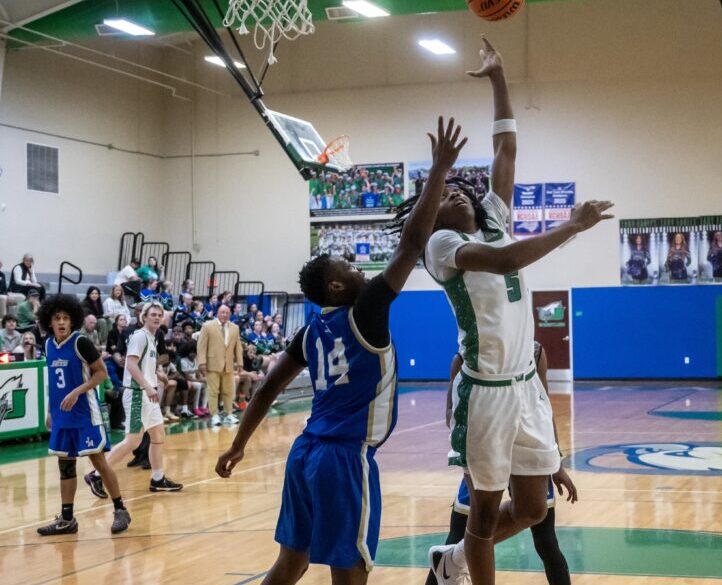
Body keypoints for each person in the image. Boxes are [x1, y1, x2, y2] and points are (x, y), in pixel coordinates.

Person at [213, 115, 466, 585]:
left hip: (304, 453)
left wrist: (238, 444)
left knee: (290, 564)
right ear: (336, 285)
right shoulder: (365, 309)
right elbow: (412, 243)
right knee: (348, 573)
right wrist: (438, 170)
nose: (358, 269)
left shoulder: (310, 333)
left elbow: (268, 387)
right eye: (349, 265)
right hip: (344, 459)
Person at [411, 38, 613, 585]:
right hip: (487, 394)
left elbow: (505, 151)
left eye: (458, 188)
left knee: (532, 510)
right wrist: (572, 225)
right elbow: (504, 261)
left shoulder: (495, 214)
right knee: (480, 517)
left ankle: (449, 560)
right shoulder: (442, 249)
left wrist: (499, 78)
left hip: (526, 387)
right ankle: (463, 561)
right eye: (443, 194)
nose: (454, 194)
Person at [425, 341, 577, 585]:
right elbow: (450, 414)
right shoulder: (465, 358)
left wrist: (557, 463)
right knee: (456, 535)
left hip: (527, 451)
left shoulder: (535, 353)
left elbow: (543, 410)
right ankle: (446, 566)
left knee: (546, 541)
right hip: (487, 453)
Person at [34, 294, 130, 536]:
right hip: (62, 416)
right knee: (65, 466)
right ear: (50, 322)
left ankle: (120, 509)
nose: (62, 322)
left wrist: (77, 392)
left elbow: (101, 374)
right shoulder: (47, 345)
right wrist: (49, 411)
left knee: (98, 462)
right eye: (57, 318)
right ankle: (67, 519)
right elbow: (54, 384)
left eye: (66, 317)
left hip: (86, 414)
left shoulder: (80, 343)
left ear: (73, 320)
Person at [85, 302, 183, 496]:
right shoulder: (139, 336)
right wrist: (147, 385)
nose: (156, 317)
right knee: (133, 441)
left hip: (147, 393)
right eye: (153, 314)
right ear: (144, 317)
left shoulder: (152, 338)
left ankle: (158, 478)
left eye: (159, 314)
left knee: (158, 436)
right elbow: (130, 364)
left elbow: (144, 364)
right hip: (138, 393)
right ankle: (96, 474)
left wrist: (157, 374)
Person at [197, 304, 244, 426]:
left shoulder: (235, 328)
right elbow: (201, 346)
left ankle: (229, 414)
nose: (224, 315)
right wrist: (202, 362)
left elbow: (238, 347)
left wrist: (240, 363)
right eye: (222, 312)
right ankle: (214, 415)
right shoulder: (207, 326)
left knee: (229, 391)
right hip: (212, 364)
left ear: (230, 314)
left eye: (227, 313)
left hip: (228, 365)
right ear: (217, 313)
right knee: (213, 391)